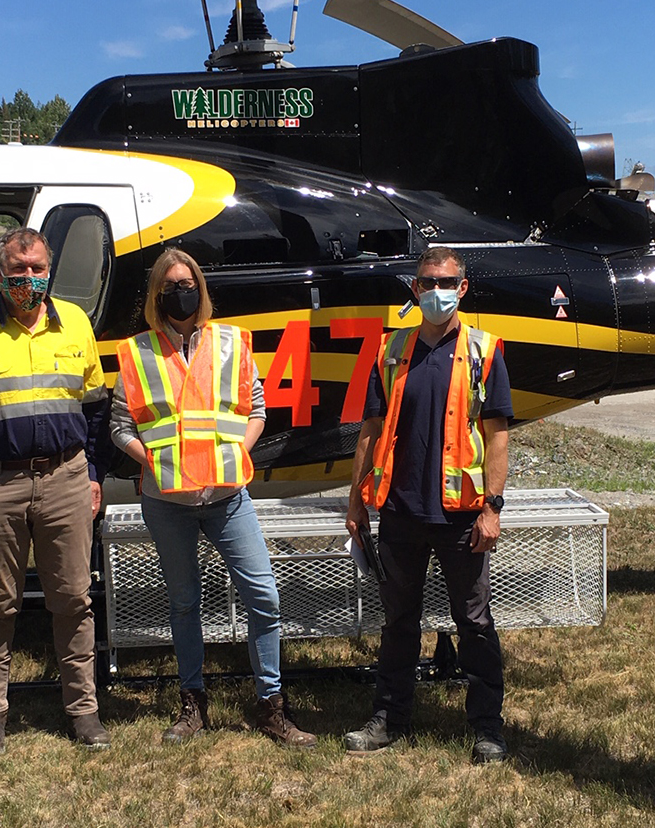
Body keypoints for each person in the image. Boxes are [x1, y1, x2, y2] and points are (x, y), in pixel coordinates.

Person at [110, 248, 316, 747]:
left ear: (201, 289)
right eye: (170, 286)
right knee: (184, 603)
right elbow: (120, 427)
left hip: (228, 498)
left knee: (263, 596)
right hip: (167, 502)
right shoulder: (137, 352)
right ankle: (193, 702)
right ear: (157, 296)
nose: (181, 292)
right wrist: (156, 463)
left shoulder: (232, 342)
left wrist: (235, 458)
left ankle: (271, 704)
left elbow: (258, 410)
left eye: (188, 284)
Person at [0, 227, 110, 756]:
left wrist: (94, 474)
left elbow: (96, 408)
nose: (28, 278)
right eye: (17, 268)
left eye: (36, 268)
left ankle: (84, 712)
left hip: (66, 481)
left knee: (73, 601)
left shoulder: (75, 323)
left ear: (49, 268)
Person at [343, 245, 514, 764]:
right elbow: (370, 431)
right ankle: (389, 719)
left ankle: (487, 728)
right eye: (425, 282)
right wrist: (357, 500)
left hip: (462, 515)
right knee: (398, 622)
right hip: (400, 511)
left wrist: (493, 507)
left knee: (475, 624)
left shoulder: (484, 352)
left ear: (462, 288)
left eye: (445, 282)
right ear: (415, 289)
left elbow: (498, 436)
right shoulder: (391, 350)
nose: (435, 291)